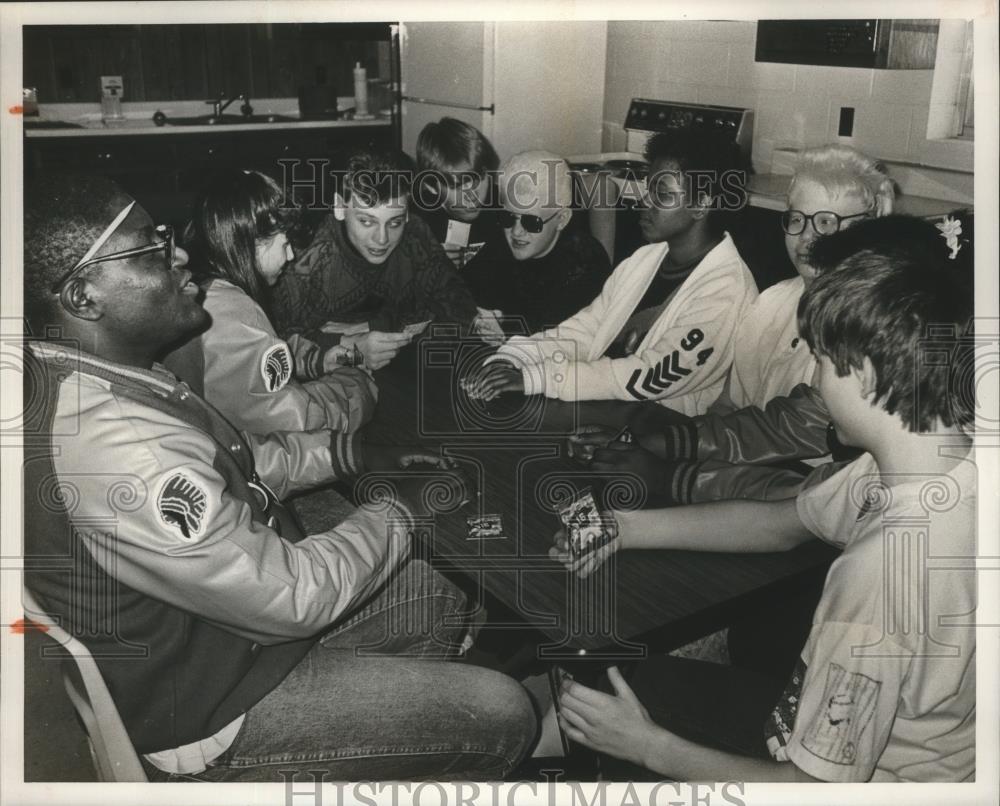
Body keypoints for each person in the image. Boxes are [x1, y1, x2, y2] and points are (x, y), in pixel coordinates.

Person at [22, 174, 537, 782]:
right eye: (151, 247)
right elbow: (292, 596)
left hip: (223, 631)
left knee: (438, 586)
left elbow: (235, 462)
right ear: (85, 296)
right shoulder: (120, 445)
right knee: (504, 714)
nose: (180, 254)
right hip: (214, 709)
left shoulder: (102, 373)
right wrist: (403, 508)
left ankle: (390, 747)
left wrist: (353, 455)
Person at [547, 214, 976, 782]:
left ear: (867, 373)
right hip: (924, 750)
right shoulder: (933, 460)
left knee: (602, 693)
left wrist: (648, 746)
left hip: (877, 782)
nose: (817, 384)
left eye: (822, 364)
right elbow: (783, 523)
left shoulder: (878, 573)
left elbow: (813, 789)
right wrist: (627, 527)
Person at [569, 144, 896, 504]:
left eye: (827, 223)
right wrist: (644, 448)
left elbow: (793, 430)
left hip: (807, 500)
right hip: (741, 491)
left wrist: (669, 469)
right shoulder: (772, 302)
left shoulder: (875, 323)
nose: (806, 238)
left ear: (869, 229)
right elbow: (728, 410)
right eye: (796, 219)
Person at [465, 129, 757, 416]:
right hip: (601, 411)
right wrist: (516, 357)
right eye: (648, 187)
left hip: (662, 433)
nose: (645, 200)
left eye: (663, 194)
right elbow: (585, 331)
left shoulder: (726, 290)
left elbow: (648, 376)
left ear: (701, 204)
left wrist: (536, 378)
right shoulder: (645, 259)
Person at [163, 169, 376, 436]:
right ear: (251, 243)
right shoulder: (233, 312)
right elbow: (296, 422)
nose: (289, 256)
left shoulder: (208, 292)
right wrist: (357, 386)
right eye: (285, 243)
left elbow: (249, 366)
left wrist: (317, 359)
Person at [270, 148, 485, 370]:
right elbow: (273, 353)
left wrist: (379, 327)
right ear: (340, 207)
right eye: (366, 221)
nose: (382, 239)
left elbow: (461, 310)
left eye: (394, 223)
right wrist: (351, 351)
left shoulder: (415, 235)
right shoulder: (304, 262)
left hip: (402, 369)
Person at [460, 150, 612, 334]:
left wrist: (505, 330)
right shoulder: (505, 240)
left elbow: (558, 338)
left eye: (531, 222)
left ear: (562, 219)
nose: (516, 231)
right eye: (508, 217)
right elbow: (461, 289)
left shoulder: (586, 265)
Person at [413, 116, 501, 269]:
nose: (472, 196)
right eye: (457, 186)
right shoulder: (415, 225)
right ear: (431, 186)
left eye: (478, 179)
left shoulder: (504, 204)